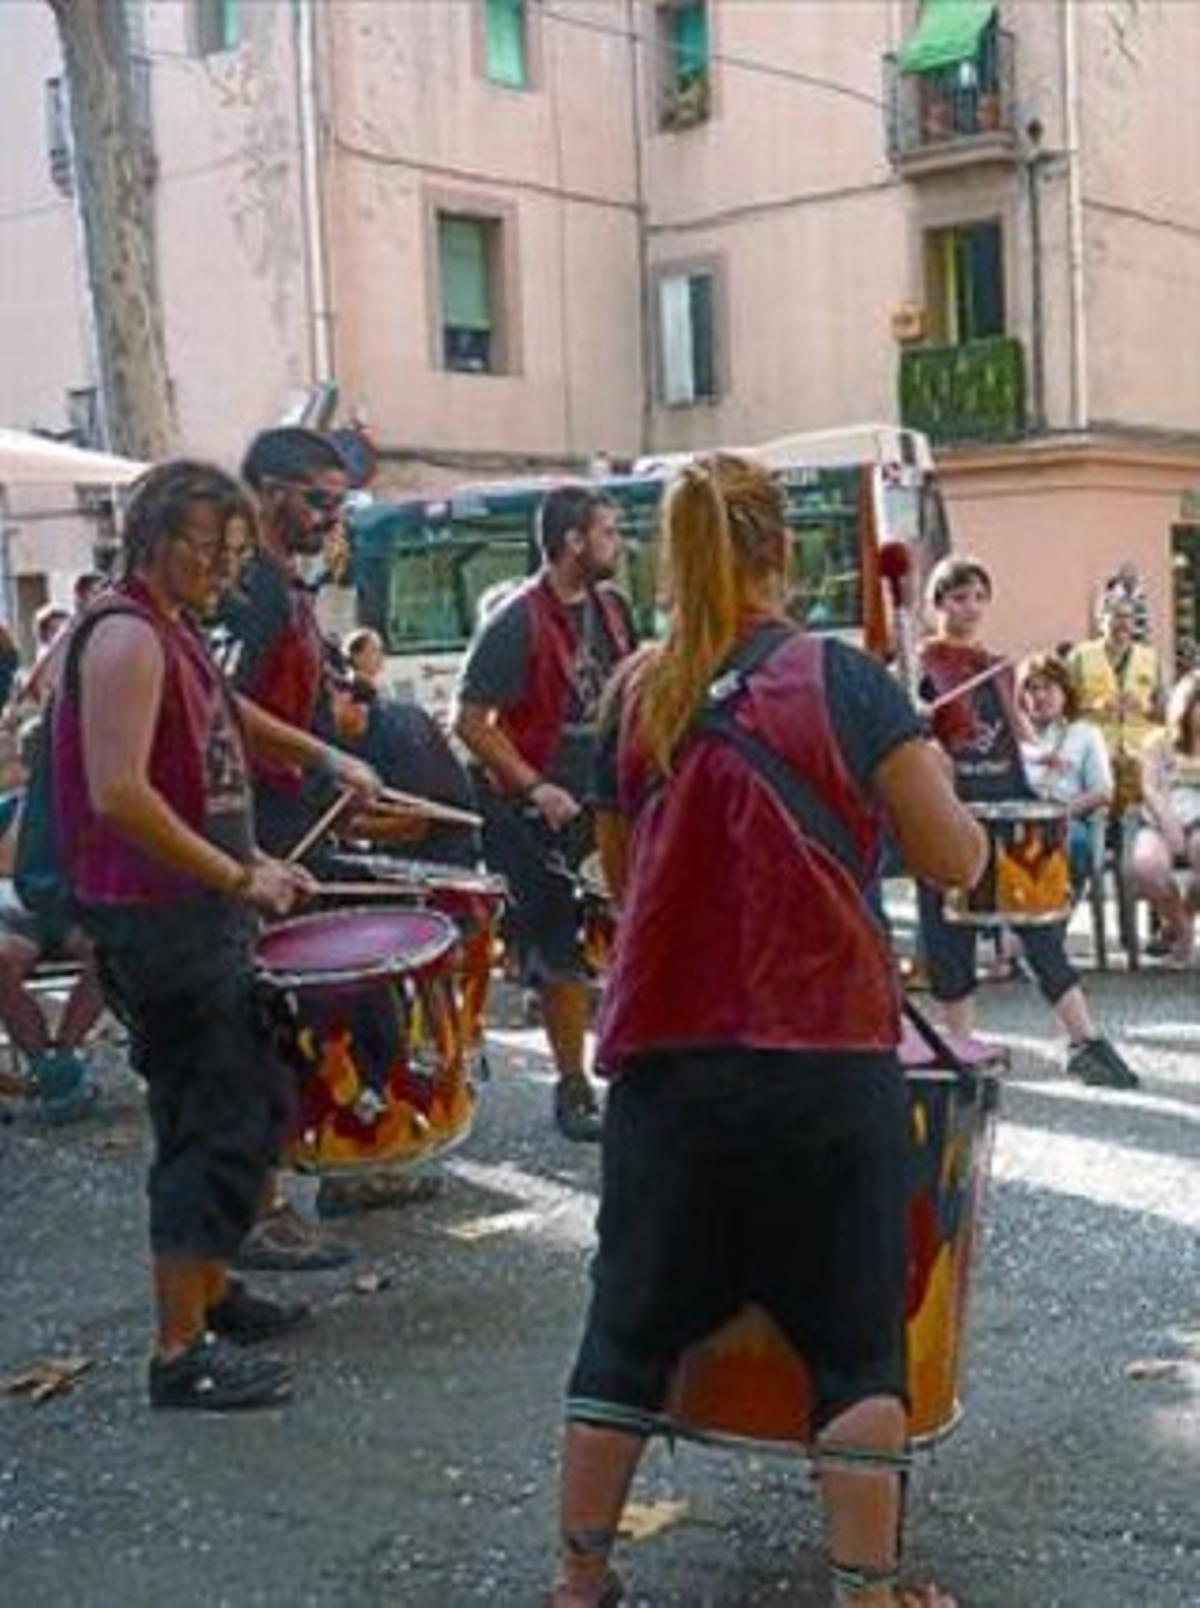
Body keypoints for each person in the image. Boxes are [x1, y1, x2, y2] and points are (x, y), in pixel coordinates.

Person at [552, 454, 985, 1608]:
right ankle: (866, 1591)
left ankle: (579, 1583)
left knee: (627, 1328)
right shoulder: (842, 684)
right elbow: (955, 857)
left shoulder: (638, 693)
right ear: (781, 552)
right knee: (855, 1339)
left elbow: (623, 874)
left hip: (665, 1069)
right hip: (822, 1059)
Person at [54, 460, 378, 1411]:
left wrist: (321, 753)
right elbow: (119, 794)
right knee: (210, 1126)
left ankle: (213, 1291)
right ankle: (177, 1349)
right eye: (205, 547)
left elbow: (224, 713)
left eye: (233, 552)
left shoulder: (170, 632)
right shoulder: (123, 635)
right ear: (153, 534)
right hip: (165, 925)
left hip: (201, 915)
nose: (219, 567)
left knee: (233, 1107)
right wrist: (241, 873)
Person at [454, 485, 635, 1143]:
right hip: (536, 817)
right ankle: (572, 1086)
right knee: (561, 954)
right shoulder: (516, 620)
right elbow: (470, 722)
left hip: (602, 804)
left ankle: (632, 1068)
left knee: (625, 940)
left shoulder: (614, 609)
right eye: (608, 532)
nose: (619, 542)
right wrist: (534, 787)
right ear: (572, 542)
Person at [918, 558, 1137, 1089]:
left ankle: (1085, 1041)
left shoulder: (997, 665)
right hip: (949, 809)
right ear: (937, 603)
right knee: (948, 931)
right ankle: (962, 1050)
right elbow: (911, 742)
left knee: (1038, 928)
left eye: (977, 597)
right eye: (957, 598)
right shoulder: (918, 661)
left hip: (1009, 804)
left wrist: (1045, 760)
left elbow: (1018, 738)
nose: (969, 608)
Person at [0, 791, 104, 1121]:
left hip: (73, 910)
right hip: (16, 913)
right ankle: (41, 1064)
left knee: (110, 949)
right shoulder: (10, 807)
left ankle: (65, 1054)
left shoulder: (83, 803)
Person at [326, 665, 478, 867]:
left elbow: (414, 825)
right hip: (396, 844)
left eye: (324, 703)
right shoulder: (338, 736)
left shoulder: (400, 730)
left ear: (348, 696)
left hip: (442, 847)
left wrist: (341, 827)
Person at [1017, 653, 1113, 894]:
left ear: (1065, 691)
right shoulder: (1009, 736)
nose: (1038, 696)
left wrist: (1059, 813)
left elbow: (1102, 792)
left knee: (1074, 841)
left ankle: (1055, 920)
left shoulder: (1085, 733)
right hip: (1015, 817)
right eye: (1030, 688)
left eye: (1047, 687)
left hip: (1065, 816)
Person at [1068, 592, 1164, 813]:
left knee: (1136, 821)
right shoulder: (1080, 656)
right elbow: (1064, 710)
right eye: (1116, 616)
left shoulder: (1152, 658)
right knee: (1098, 822)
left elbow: (1167, 712)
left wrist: (1144, 707)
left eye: (1128, 617)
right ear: (1101, 619)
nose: (1123, 623)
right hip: (1095, 756)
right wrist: (1096, 706)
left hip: (1139, 758)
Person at [1131, 671, 1200, 965]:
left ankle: (1181, 923)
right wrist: (1168, 821)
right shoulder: (1159, 740)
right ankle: (1182, 929)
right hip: (1161, 818)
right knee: (1147, 867)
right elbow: (1149, 787)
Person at [1095, 559, 1150, 642]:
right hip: (1115, 639)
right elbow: (1102, 619)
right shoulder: (1110, 596)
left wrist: (1142, 636)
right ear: (1120, 578)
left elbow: (1144, 619)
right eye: (1127, 577)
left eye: (1132, 577)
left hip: (1136, 639)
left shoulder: (1141, 597)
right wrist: (1106, 635)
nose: (1130, 580)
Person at [343, 626, 386, 690]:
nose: (380, 656)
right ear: (357, 657)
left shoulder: (369, 686)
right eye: (374, 650)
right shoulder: (352, 690)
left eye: (380, 650)